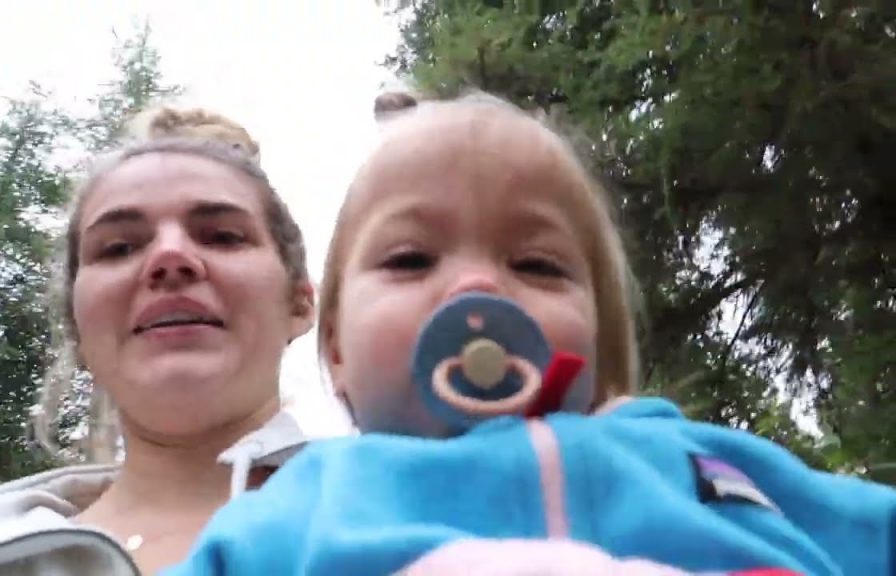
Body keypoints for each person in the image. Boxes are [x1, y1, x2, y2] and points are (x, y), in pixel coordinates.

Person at [164, 93, 895, 576]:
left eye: (538, 265)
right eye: (411, 259)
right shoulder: (300, 511)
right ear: (337, 353)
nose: (477, 287)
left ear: (600, 342)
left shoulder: (708, 467)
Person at [0, 106, 317, 575]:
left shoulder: (375, 519)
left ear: (300, 303)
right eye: (118, 248)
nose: (170, 256)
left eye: (223, 237)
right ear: (78, 330)